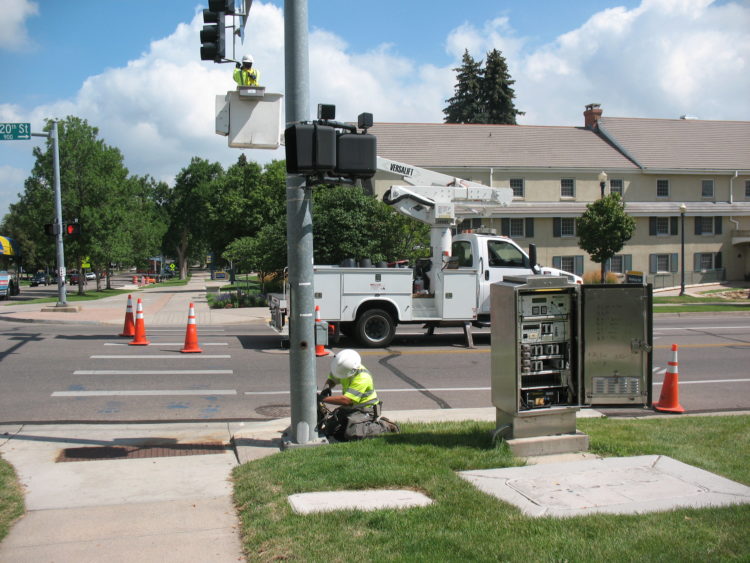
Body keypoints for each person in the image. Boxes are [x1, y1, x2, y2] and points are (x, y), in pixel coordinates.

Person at [318, 349, 399, 441]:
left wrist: (323, 398)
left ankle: (385, 426)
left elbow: (346, 400)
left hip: (365, 411)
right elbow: (332, 379)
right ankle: (351, 423)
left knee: (353, 433)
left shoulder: (362, 377)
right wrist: (326, 388)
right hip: (351, 408)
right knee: (330, 429)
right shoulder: (344, 368)